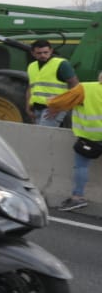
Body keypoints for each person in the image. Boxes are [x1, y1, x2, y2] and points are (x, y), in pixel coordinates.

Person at [42, 67, 101, 211]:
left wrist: (51, 102)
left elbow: (60, 102)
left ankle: (77, 198)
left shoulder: (86, 88)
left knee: (81, 166)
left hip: (91, 137)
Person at [27, 39, 79, 127]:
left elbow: (76, 87)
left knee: (43, 136)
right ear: (33, 53)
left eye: (45, 52)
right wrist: (27, 107)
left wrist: (61, 106)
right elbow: (30, 88)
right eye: (39, 53)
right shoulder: (32, 66)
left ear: (51, 51)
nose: (43, 55)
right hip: (36, 108)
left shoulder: (62, 64)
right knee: (39, 136)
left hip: (54, 108)